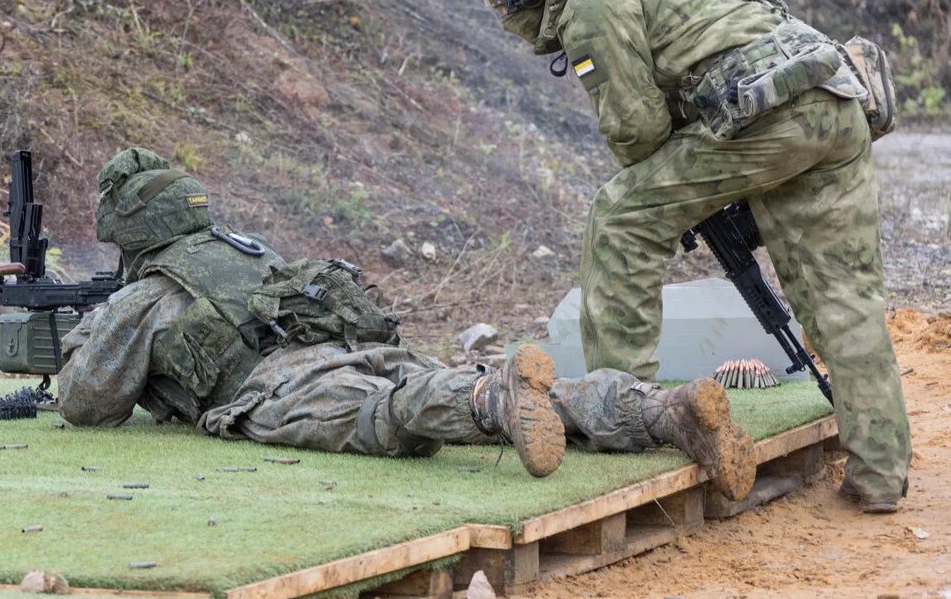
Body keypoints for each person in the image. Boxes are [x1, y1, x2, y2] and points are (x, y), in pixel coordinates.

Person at [476, 0, 912, 512]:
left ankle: (618, 415)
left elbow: (638, 130)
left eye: (505, 11)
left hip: (770, 118)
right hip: (835, 105)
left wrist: (669, 191)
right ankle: (880, 475)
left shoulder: (589, 8)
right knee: (842, 299)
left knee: (621, 217)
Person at [57, 148, 755, 500]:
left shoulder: (147, 292)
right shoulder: (244, 251)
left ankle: (491, 402)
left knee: (387, 419)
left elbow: (89, 404)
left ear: (131, 229)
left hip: (282, 385)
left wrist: (80, 339)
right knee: (460, 379)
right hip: (360, 345)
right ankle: (661, 411)